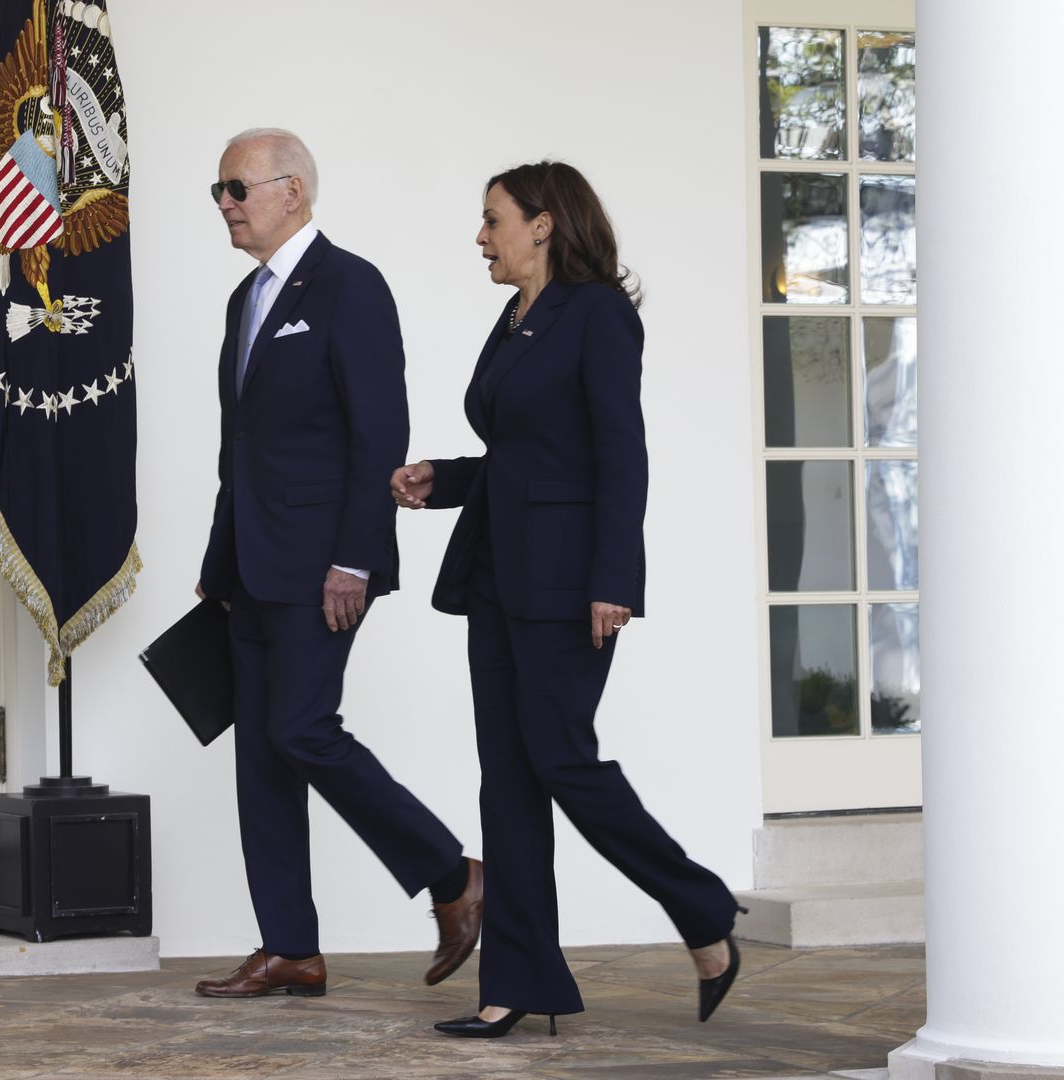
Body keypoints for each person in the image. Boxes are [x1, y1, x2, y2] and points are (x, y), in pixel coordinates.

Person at [391, 161, 743, 1038]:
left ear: (543, 224)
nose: (481, 238)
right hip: (495, 578)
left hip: (567, 583)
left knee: (560, 760)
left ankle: (701, 906)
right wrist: (445, 480)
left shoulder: (597, 314)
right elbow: (527, 452)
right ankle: (516, 984)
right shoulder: (516, 316)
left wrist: (614, 580)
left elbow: (620, 453)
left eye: (493, 220)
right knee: (508, 781)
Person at [193, 128, 482, 1000]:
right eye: (218, 191)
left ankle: (453, 875)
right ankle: (290, 948)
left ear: (292, 191)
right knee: (261, 756)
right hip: (250, 565)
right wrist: (218, 559)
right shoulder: (245, 298)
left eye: (238, 188)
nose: (226, 204)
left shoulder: (352, 285)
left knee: (301, 730)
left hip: (323, 564)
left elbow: (377, 432)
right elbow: (238, 447)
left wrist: (355, 558)